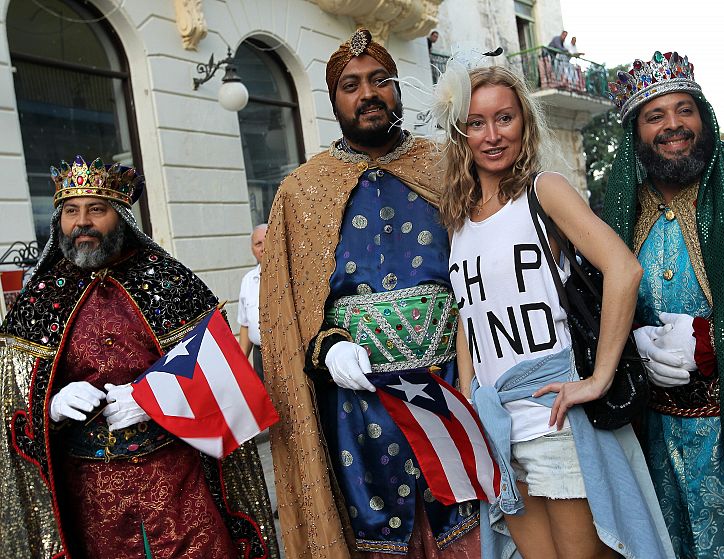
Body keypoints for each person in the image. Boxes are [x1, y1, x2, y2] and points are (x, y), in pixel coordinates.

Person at [436, 64, 674, 558]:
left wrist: (599, 377)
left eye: (504, 118)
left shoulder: (544, 190)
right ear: (461, 131)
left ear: (524, 121)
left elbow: (623, 269)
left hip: (553, 417)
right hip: (497, 422)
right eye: (477, 122)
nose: (492, 135)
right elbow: (467, 311)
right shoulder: (457, 216)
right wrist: (468, 392)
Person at [259, 28, 480, 559]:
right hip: (358, 406)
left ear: (398, 89)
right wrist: (329, 346)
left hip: (451, 386)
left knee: (469, 524)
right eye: (351, 85)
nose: (368, 94)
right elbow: (289, 312)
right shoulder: (303, 191)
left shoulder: (447, 166)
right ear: (334, 100)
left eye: (380, 80)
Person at [0, 156, 278, 558]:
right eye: (71, 211)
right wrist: (51, 403)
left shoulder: (168, 281)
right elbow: (12, 395)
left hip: (176, 476)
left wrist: (154, 396)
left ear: (121, 217)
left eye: (97, 209)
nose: (83, 222)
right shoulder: (40, 297)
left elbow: (223, 372)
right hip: (87, 491)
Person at [604, 50, 724, 558]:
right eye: (655, 115)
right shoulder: (619, 211)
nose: (674, 126)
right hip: (655, 440)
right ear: (635, 133)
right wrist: (629, 343)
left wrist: (720, 341)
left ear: (704, 115)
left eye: (684, 110)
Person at [239, 223, 268, 379]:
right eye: (258, 244)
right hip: (260, 357)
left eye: (267, 240)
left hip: (287, 355)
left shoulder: (291, 276)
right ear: (252, 250)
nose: (263, 247)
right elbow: (245, 325)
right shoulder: (248, 280)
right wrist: (241, 364)